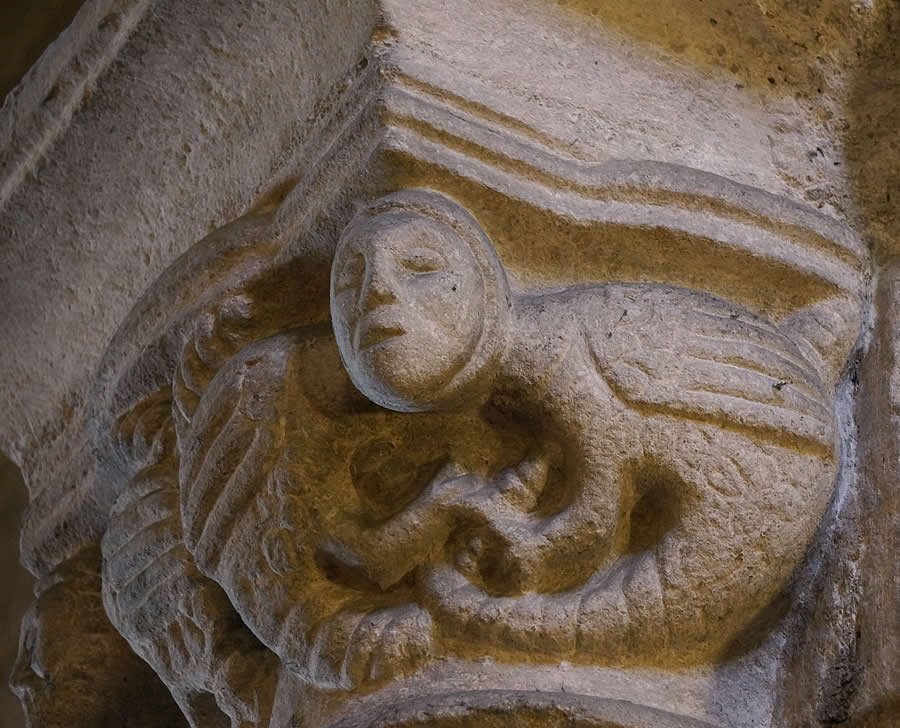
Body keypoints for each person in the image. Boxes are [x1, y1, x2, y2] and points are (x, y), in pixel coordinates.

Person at [329, 188, 851, 664]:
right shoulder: (523, 393)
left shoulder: (562, 347)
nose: (375, 293)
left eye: (420, 266)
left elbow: (597, 508)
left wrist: (531, 543)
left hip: (766, 467)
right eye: (349, 283)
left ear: (487, 283)